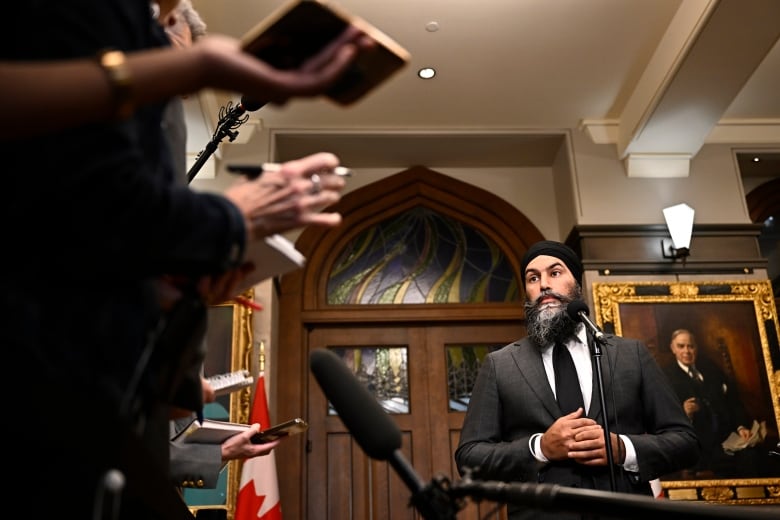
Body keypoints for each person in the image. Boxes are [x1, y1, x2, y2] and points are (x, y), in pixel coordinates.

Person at [1, 2, 370, 519]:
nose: (179, 95)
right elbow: (84, 209)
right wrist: (228, 219)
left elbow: (169, 394)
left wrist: (192, 297)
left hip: (112, 428)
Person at [454, 240, 700, 520]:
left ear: (576, 283)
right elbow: (469, 457)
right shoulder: (501, 365)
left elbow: (686, 442)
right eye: (533, 278)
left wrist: (623, 449)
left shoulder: (630, 354)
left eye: (555, 273)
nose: (544, 284)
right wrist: (540, 448)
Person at [662, 328, 755, 478]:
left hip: (727, 437)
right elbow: (662, 414)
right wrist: (683, 412)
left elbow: (732, 401)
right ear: (672, 349)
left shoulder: (710, 368)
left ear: (696, 347)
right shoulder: (666, 376)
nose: (687, 351)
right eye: (681, 346)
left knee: (752, 459)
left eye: (691, 346)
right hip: (695, 441)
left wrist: (740, 426)